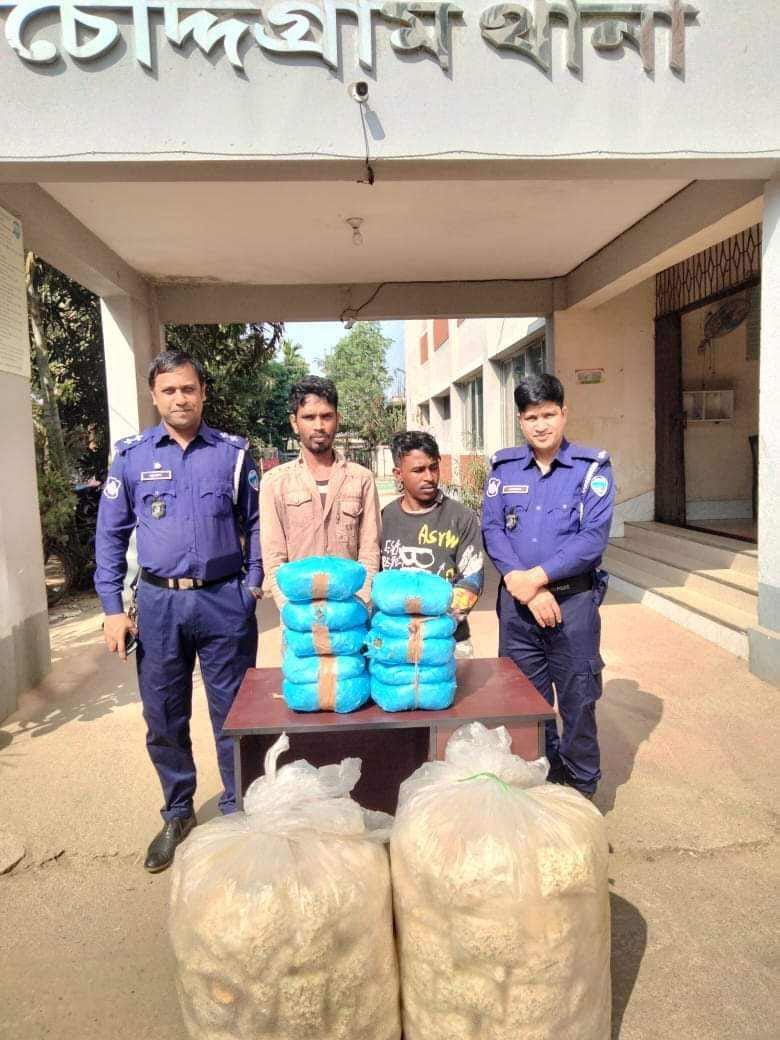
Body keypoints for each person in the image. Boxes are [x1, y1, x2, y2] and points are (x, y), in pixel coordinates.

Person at [94, 351, 262, 872]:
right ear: (154, 396)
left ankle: (238, 809)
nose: (180, 398)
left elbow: (256, 522)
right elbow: (110, 535)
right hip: (159, 603)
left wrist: (252, 584)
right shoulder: (131, 457)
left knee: (234, 712)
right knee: (164, 713)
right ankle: (177, 810)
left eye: (188, 388)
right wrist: (112, 608)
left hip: (223, 600)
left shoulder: (233, 454)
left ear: (203, 392)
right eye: (169, 390)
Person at [481, 373, 614, 799]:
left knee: (578, 703)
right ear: (520, 421)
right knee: (524, 704)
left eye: (548, 415)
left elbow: (592, 539)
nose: (541, 425)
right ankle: (540, 785)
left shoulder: (592, 469)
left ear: (564, 413)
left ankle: (581, 791)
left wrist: (535, 579)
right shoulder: (504, 469)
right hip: (518, 610)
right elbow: (493, 530)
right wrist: (524, 587)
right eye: (531, 417)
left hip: (572, 606)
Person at [260, 375, 380, 607]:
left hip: (350, 611)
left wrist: (359, 605)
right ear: (294, 422)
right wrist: (292, 612)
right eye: (308, 417)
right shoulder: (275, 482)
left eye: (326, 416)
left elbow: (370, 551)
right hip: (297, 613)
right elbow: (274, 558)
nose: (319, 426)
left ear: (338, 419)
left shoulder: (361, 479)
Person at [380, 430, 484, 655]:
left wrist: (437, 625)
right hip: (395, 641)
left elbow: (471, 581)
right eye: (418, 470)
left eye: (433, 468)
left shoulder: (461, 517)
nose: (429, 477)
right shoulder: (384, 519)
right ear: (398, 474)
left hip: (449, 640)